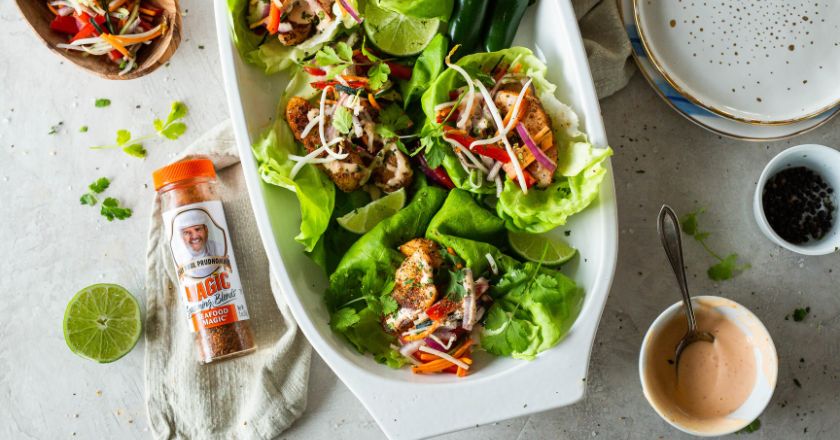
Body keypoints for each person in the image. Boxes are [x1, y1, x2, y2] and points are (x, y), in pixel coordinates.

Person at [172, 209, 223, 278]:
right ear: (182, 237)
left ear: (206, 230)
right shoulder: (179, 258)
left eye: (197, 229)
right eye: (187, 232)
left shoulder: (219, 249)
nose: (194, 236)